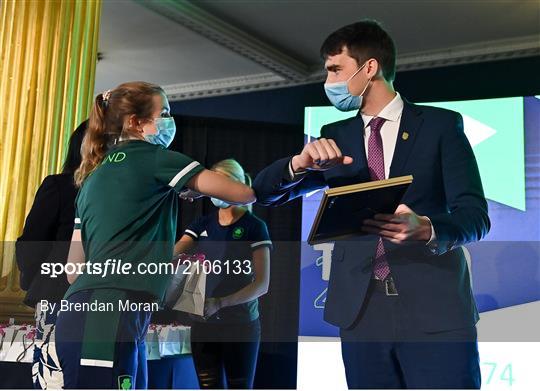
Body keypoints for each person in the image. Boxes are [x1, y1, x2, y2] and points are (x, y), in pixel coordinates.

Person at [253, 20, 490, 389]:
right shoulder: (334, 136)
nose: (328, 80)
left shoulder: (441, 126)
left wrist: (426, 229)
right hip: (361, 314)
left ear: (369, 68)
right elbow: (266, 192)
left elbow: (475, 217)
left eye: (335, 69)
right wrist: (298, 163)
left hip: (435, 309)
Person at [54, 81, 256, 389]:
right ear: (136, 122)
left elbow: (72, 271)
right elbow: (243, 193)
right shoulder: (155, 158)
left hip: (90, 311)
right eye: (165, 112)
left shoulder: (93, 177)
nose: (170, 121)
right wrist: (295, 169)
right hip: (109, 315)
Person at [174, 158, 271, 389]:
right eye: (212, 183)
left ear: (236, 185)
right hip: (204, 323)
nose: (216, 189)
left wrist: (220, 303)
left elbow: (262, 284)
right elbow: (173, 255)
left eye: (221, 182)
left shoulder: (254, 226)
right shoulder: (201, 224)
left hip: (241, 325)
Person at [16, 120, 87, 389]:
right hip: (58, 293)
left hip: (104, 297)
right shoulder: (60, 185)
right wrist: (36, 281)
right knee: (53, 378)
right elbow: (32, 243)